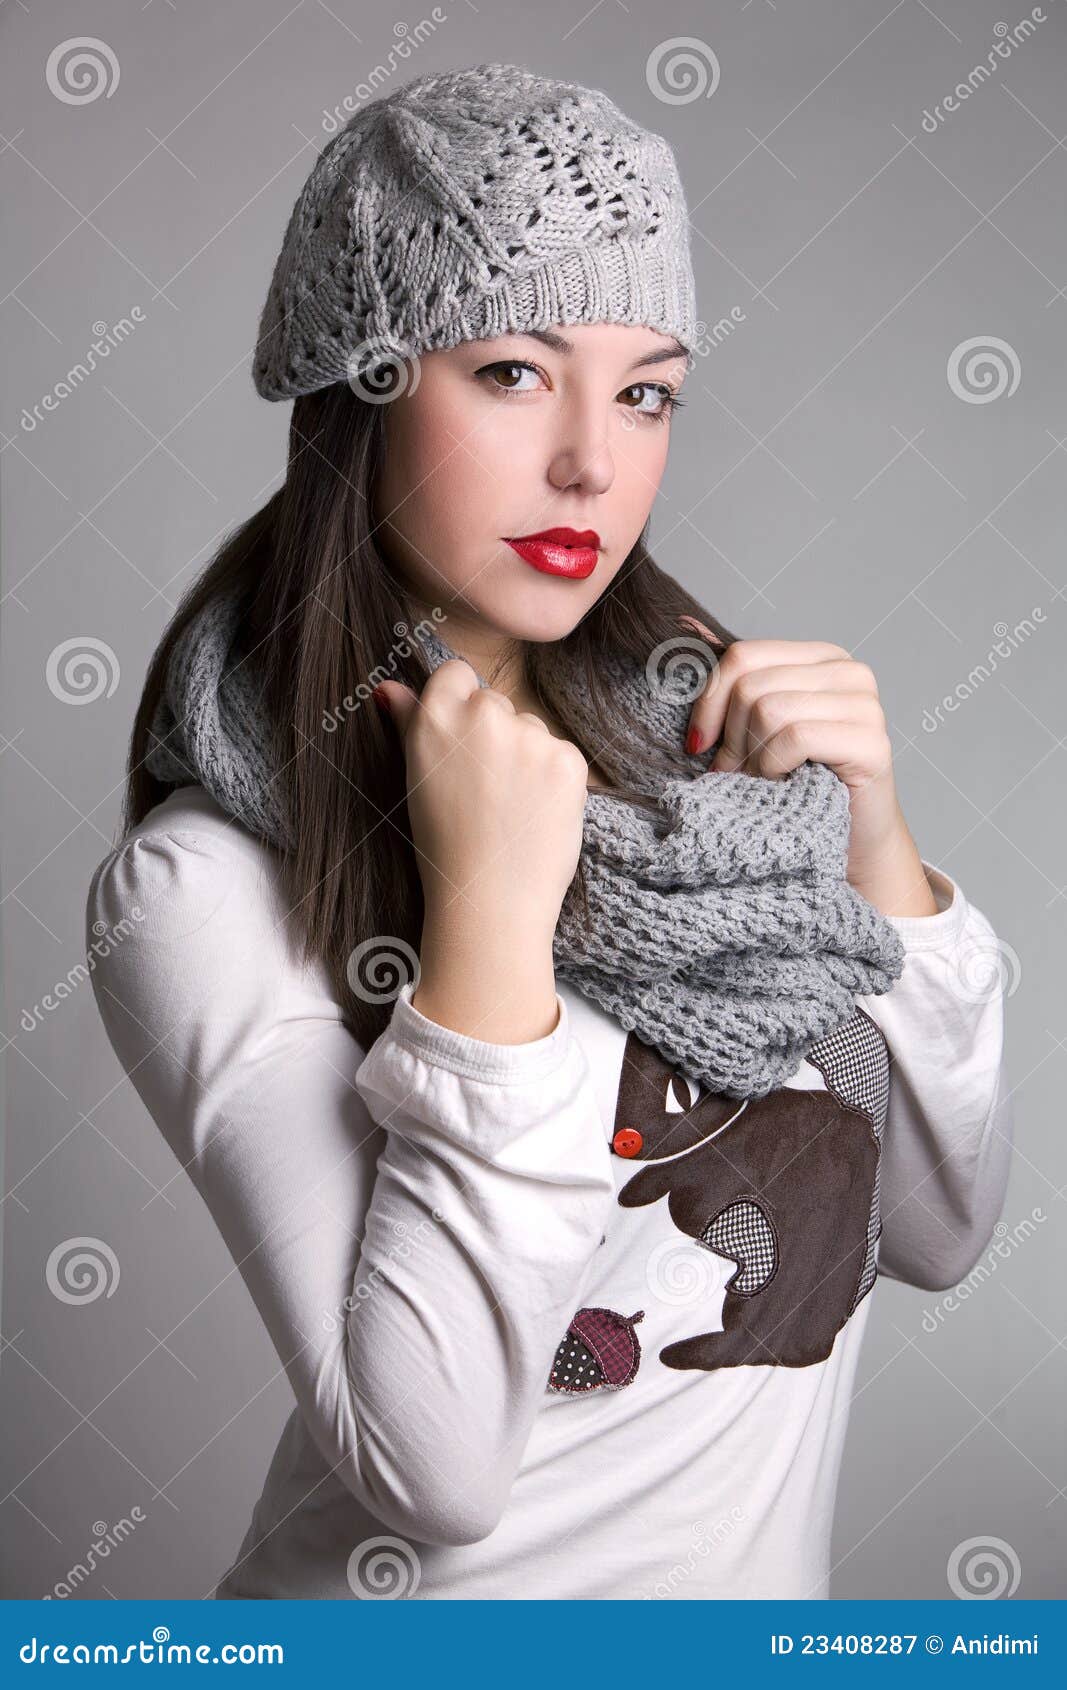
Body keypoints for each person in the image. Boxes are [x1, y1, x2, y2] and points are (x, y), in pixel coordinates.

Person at [85, 63, 1014, 1601]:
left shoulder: (714, 776)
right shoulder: (202, 889)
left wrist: (881, 853)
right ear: (363, 387)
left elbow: (932, 1225)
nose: (594, 457)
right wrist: (491, 932)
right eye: (515, 371)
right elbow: (431, 1467)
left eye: (646, 389)